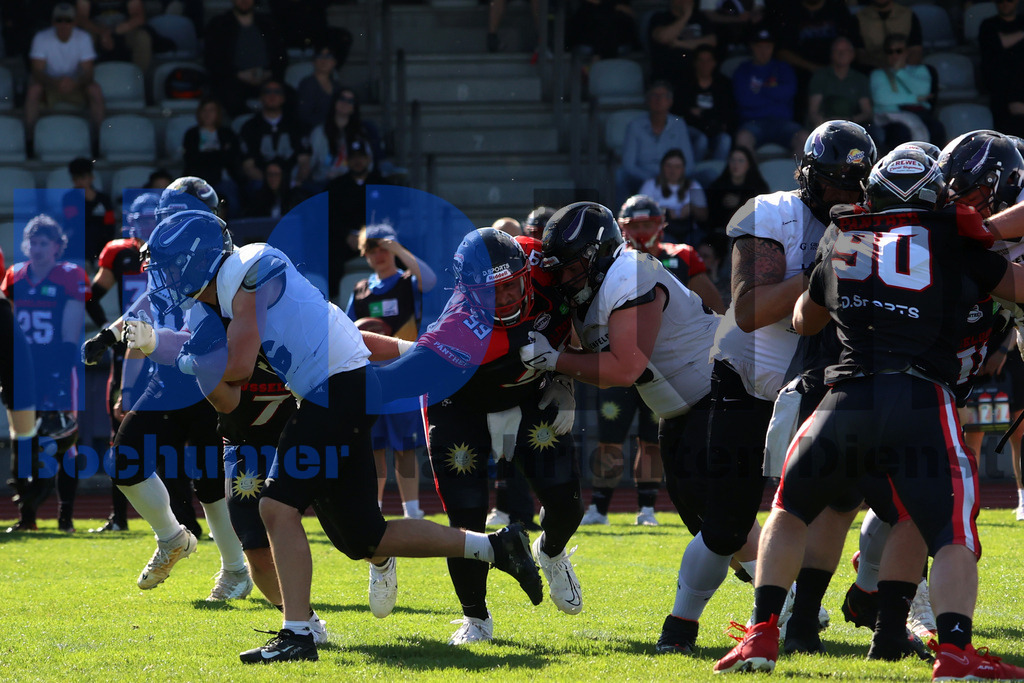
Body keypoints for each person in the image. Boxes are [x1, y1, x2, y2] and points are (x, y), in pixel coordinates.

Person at [139, 214, 545, 663]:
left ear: (196, 260)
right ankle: (497, 546)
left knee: (275, 506)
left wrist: (174, 353)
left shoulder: (248, 268)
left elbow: (235, 367)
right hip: (333, 390)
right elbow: (228, 396)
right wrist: (175, 349)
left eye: (171, 264)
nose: (165, 276)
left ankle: (298, 634)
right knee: (363, 539)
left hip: (335, 388)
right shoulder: (220, 301)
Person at [715, 145, 1024, 680]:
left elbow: (804, 320)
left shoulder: (841, 234)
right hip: (922, 398)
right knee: (951, 533)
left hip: (846, 397)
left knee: (789, 511)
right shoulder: (952, 233)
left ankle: (763, 635)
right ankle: (954, 653)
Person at [657, 120, 876, 654]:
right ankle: (679, 626)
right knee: (730, 523)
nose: (845, 197)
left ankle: (803, 625)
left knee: (826, 507)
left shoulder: (876, 223)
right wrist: (828, 262)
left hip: (823, 381)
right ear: (808, 177)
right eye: (834, 185)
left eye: (855, 186)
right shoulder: (771, 213)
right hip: (750, 379)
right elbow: (751, 309)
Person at [517, 201, 730, 655]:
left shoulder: (630, 272)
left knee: (721, 515)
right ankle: (780, 594)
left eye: (573, 265)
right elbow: (585, 352)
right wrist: (560, 375)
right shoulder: (587, 294)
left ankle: (782, 601)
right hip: (679, 407)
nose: (565, 276)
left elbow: (625, 367)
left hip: (722, 392)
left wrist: (554, 360)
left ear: (597, 254)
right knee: (703, 517)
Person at [362, 227, 586, 643]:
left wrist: (565, 373)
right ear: (468, 291)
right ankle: (476, 619)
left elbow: (582, 307)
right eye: (491, 293)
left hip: (530, 392)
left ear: (525, 268)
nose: (505, 299)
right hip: (459, 405)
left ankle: (551, 552)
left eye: (511, 286)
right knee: (466, 518)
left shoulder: (541, 260)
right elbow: (395, 382)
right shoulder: (460, 329)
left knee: (567, 504)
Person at [81, 177, 253, 601]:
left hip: (212, 378)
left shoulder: (227, 260)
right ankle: (172, 536)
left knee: (212, 484)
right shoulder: (166, 253)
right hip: (170, 379)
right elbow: (148, 305)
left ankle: (235, 570)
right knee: (124, 458)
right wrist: (109, 334)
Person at [580, 195, 724, 528]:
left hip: (664, 367)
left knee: (651, 440)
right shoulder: (606, 266)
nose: (643, 232)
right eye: (636, 225)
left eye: (648, 224)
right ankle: (600, 505)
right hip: (620, 358)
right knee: (610, 438)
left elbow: (713, 308)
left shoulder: (681, 257)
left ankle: (646, 506)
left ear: (661, 224)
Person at [2, 215, 89, 534]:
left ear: (57, 246)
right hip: (23, 368)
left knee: (64, 440)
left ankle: (65, 517)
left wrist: (56, 372)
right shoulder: (14, 276)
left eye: (43, 242)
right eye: (32, 242)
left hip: (57, 367)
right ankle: (27, 516)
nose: (36, 248)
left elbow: (70, 334)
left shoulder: (69, 276)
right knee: (24, 440)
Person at [345, 223, 437, 521]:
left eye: (384, 247)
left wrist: (398, 247)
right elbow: (347, 332)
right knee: (374, 449)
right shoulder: (360, 291)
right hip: (372, 380)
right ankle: (375, 511)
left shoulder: (409, 282)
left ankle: (413, 513)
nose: (379, 254)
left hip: (405, 377)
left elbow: (431, 280)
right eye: (372, 249)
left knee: (406, 448)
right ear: (365, 255)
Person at [84, 190, 160, 533]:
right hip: (130, 345)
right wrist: (108, 332)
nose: (146, 224)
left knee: (181, 429)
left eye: (151, 217)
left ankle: (186, 515)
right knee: (120, 427)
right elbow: (91, 295)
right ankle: (119, 518)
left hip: (169, 347)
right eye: (141, 218)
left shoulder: (172, 249)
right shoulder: (119, 252)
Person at [24, 2, 105, 154]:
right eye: (59, 20)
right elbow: (37, 71)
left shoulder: (84, 38)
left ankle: (98, 141)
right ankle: (30, 140)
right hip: (50, 86)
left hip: (76, 87)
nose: (63, 24)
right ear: (53, 22)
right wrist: (55, 82)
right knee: (34, 89)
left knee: (95, 89)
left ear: (74, 22)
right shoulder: (41, 38)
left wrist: (74, 82)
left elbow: (89, 73)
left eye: (67, 20)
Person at [771, 0, 861, 112]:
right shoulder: (790, 10)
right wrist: (814, 68)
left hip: (837, 72)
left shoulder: (837, 8)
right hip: (801, 76)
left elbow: (852, 46)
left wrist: (834, 69)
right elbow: (782, 52)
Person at [616, 81, 696, 208]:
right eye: (654, 95)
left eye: (663, 95)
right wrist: (654, 180)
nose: (658, 100)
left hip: (673, 175)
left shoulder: (678, 124)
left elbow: (689, 163)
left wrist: (671, 176)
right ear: (647, 100)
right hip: (642, 177)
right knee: (620, 176)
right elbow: (628, 165)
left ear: (670, 101)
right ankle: (620, 219)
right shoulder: (635, 126)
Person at [325, 138, 386, 301]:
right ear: (347, 160)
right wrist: (346, 235)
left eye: (361, 156)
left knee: (400, 251)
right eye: (353, 157)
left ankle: (398, 298)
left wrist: (372, 236)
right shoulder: (336, 186)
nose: (357, 161)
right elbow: (331, 217)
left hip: (375, 239)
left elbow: (389, 216)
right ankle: (333, 301)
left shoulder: (382, 183)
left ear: (368, 159)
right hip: (346, 240)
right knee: (329, 255)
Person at [203, 0, 287, 117]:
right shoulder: (219, 24)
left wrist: (268, 73)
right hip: (233, 81)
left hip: (267, 78)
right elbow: (212, 60)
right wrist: (238, 74)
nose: (244, 1)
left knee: (289, 96)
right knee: (229, 97)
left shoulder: (268, 23)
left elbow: (281, 56)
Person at [732, 26, 806, 157]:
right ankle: (752, 177)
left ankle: (797, 177)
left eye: (767, 46)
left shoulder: (783, 68)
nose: (763, 51)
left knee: (804, 138)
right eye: (759, 46)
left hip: (783, 122)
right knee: (742, 138)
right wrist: (774, 93)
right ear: (752, 47)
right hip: (753, 122)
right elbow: (744, 100)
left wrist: (760, 91)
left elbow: (788, 92)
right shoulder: (743, 70)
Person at [238, 80, 311, 197]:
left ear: (283, 98)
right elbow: (248, 166)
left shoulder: (296, 125)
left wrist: (292, 182)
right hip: (261, 181)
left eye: (277, 92)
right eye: (268, 92)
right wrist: (272, 183)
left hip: (292, 180)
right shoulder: (250, 127)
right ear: (261, 97)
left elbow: (304, 162)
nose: (272, 95)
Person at [870, 34, 940, 149]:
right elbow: (882, 98)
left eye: (898, 51)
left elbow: (923, 90)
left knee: (936, 128)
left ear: (906, 52)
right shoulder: (878, 74)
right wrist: (915, 98)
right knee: (899, 132)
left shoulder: (921, 70)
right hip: (889, 118)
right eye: (890, 51)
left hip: (920, 115)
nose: (894, 55)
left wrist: (899, 72)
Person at [308, 87, 384, 187]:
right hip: (324, 183)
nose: (345, 103)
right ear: (334, 102)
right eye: (342, 99)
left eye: (350, 101)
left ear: (354, 107)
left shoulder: (361, 132)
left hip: (353, 183)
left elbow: (368, 164)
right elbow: (310, 163)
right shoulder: (319, 132)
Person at [182, 98, 243, 219]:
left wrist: (206, 156)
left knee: (233, 201)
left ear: (218, 114)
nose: (207, 114)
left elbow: (231, 158)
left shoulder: (227, 134)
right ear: (199, 113)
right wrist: (219, 154)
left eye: (211, 110)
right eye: (204, 110)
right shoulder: (192, 134)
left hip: (223, 178)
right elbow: (191, 158)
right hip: (198, 179)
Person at [673, 44, 735, 163]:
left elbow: (727, 112)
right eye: (701, 60)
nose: (704, 65)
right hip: (691, 131)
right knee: (701, 140)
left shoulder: (723, 84)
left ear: (714, 63)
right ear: (695, 63)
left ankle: (717, 173)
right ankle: (692, 174)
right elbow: (679, 110)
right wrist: (708, 114)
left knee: (725, 139)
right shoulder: (685, 83)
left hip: (714, 130)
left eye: (708, 60)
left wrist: (700, 113)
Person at [639, 148, 708, 245]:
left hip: (688, 231)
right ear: (662, 167)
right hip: (661, 231)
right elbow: (640, 212)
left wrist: (691, 208)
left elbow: (704, 215)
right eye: (669, 166)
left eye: (677, 167)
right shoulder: (650, 185)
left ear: (683, 169)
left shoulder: (693, 185)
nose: (672, 170)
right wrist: (664, 212)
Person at [806, 36, 873, 133]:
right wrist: (828, 124)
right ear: (831, 54)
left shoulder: (860, 79)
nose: (841, 54)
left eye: (845, 50)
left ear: (852, 54)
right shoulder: (820, 76)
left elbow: (867, 112)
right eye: (837, 50)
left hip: (854, 127)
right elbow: (813, 112)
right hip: (824, 128)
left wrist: (849, 121)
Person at [979, 0, 1024, 138]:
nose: (1004, 3)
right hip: (1002, 91)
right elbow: (1000, 44)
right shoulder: (988, 25)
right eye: (1000, 1)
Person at [648, 0, 718, 86]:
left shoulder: (700, 18)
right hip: (668, 74)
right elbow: (663, 37)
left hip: (696, 75)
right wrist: (686, 16)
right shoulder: (660, 17)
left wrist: (679, 44)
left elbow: (711, 41)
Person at [62, 156, 114, 266]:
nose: (80, 182)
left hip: (100, 249)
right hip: (77, 249)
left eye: (83, 177)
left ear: (91, 177)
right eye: (76, 179)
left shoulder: (103, 199)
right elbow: (74, 223)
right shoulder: (69, 199)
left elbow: (110, 224)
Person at [705, 145, 769, 233]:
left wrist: (740, 202)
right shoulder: (717, 185)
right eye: (732, 160)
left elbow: (763, 212)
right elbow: (710, 217)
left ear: (749, 165)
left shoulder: (759, 187)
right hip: (721, 233)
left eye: (741, 161)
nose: (736, 164)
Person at [75, 0, 151, 72]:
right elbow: (81, 18)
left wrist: (114, 31)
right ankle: (84, 79)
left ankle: (138, 78)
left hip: (124, 29)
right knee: (82, 39)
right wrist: (101, 31)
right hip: (96, 30)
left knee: (142, 38)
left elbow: (139, 18)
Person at [855, 0, 923, 71]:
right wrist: (884, 70)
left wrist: (904, 71)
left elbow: (915, 51)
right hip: (872, 73)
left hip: (906, 71)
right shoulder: (859, 19)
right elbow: (860, 55)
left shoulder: (909, 15)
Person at [565, 0, 637, 63]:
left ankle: (599, 60)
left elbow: (629, 11)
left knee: (608, 19)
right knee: (596, 16)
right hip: (591, 36)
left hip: (616, 35)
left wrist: (606, 4)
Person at [295, 44, 339, 135]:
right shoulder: (307, 84)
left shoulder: (337, 85)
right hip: (314, 132)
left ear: (334, 62)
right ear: (314, 61)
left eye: (328, 56)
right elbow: (304, 115)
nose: (324, 60)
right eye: (320, 56)